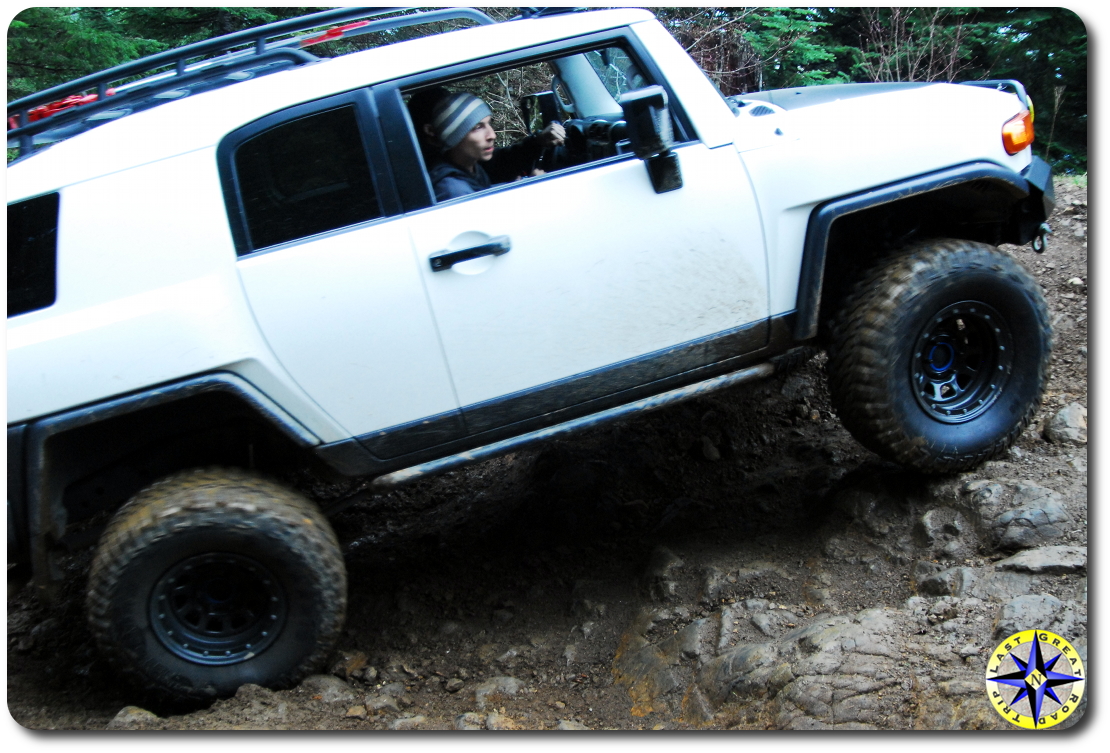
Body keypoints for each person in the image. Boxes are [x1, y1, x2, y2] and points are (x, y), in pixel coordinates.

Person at [409, 87, 566, 202]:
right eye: (477, 128)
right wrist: (530, 194)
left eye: (488, 124)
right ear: (453, 136)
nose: (492, 135)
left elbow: (500, 162)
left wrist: (537, 142)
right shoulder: (451, 189)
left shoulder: (469, 166)